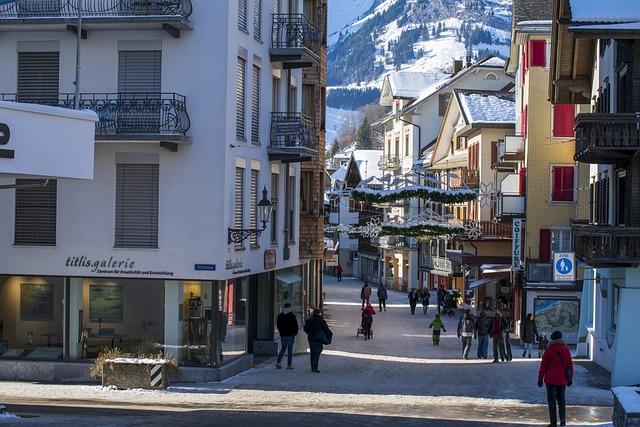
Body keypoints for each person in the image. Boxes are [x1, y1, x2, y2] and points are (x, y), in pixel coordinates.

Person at [538, 330, 574, 427]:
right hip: (562, 379)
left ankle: (553, 423)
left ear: (552, 339)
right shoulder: (566, 350)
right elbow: (570, 365)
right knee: (561, 399)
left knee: (551, 401)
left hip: (550, 380)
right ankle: (563, 421)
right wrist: (570, 379)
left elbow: (543, 366)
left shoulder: (549, 350)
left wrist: (540, 379)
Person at [303, 308, 333, 373]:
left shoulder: (309, 321)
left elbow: (305, 329)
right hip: (319, 339)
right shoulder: (321, 321)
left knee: (312, 353)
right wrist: (328, 336)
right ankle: (315, 367)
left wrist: (310, 333)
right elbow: (326, 330)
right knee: (317, 353)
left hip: (311, 339)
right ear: (319, 313)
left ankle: (312, 366)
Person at [275, 303, 298, 370]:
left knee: (283, 348)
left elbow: (278, 325)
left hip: (283, 335)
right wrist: (295, 332)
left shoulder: (280, 315)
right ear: (289, 307)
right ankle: (289, 364)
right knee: (290, 349)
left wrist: (281, 332)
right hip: (290, 335)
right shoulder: (292, 316)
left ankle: (278, 362)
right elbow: (295, 325)